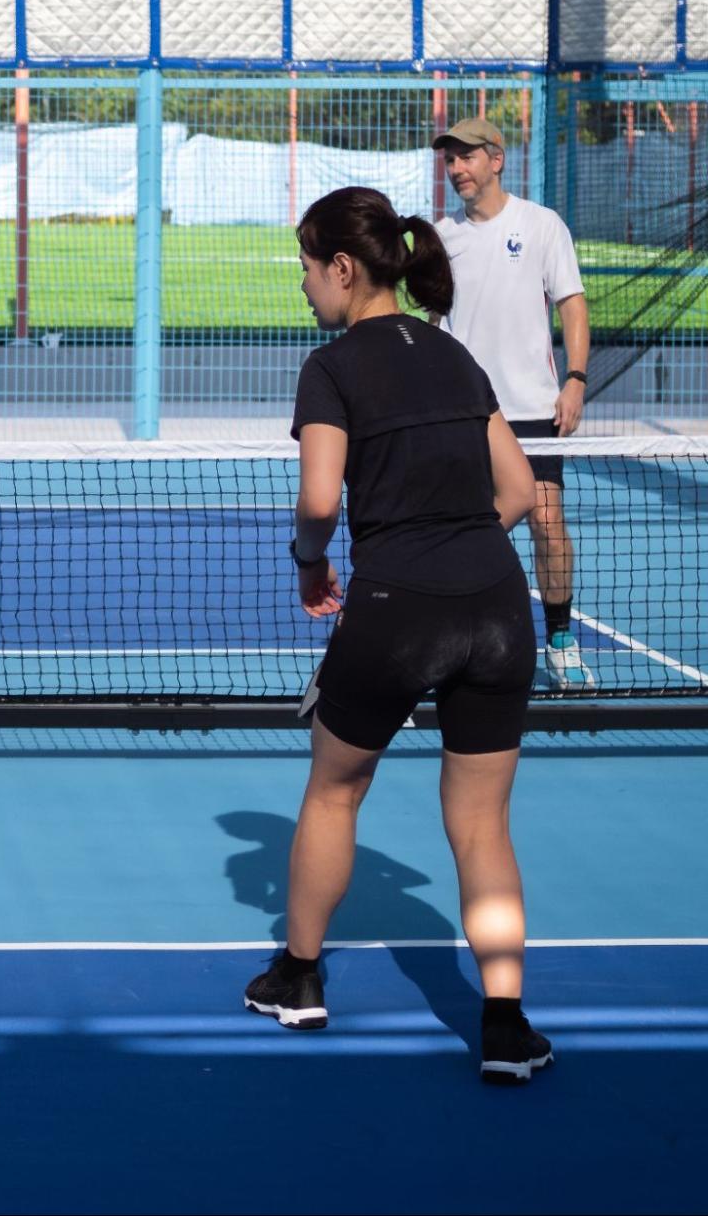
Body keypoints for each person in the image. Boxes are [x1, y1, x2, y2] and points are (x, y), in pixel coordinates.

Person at [242, 186, 555, 1085]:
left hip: (393, 610)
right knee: (482, 824)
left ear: (343, 270)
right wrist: (460, 557)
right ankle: (504, 1028)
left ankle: (297, 978)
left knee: (335, 791)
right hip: (497, 606)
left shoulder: (329, 367)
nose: (304, 287)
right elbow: (518, 489)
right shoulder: (455, 357)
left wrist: (312, 565)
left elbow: (317, 502)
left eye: (307, 269)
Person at [431, 117, 595, 689]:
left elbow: (572, 304)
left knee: (547, 525)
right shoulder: (441, 236)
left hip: (532, 410)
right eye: (450, 160)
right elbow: (432, 319)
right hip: (464, 409)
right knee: (462, 530)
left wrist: (574, 380)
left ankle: (560, 639)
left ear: (496, 160)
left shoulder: (543, 225)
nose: (456, 170)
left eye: (466, 158)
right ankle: (447, 643)